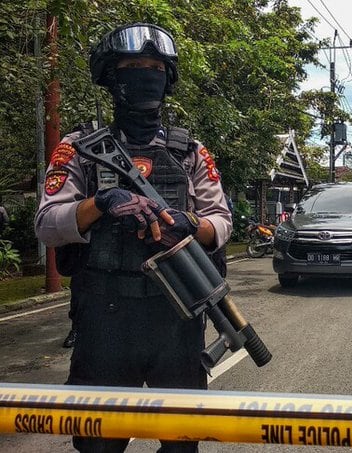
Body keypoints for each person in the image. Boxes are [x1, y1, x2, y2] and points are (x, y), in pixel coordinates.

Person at [35, 23, 232, 452]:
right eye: (133, 66)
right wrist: (100, 203)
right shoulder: (79, 147)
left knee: (181, 444)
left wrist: (189, 223)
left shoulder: (190, 151)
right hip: (105, 318)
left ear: (167, 77)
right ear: (111, 75)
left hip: (176, 317)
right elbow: (47, 224)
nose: (146, 74)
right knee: (97, 445)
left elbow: (221, 221)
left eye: (154, 67)